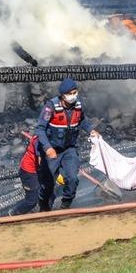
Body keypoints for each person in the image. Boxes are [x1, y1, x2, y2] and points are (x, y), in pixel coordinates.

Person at [35, 78, 99, 210]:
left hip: (69, 149)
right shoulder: (50, 107)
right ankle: (43, 206)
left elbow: (82, 121)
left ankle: (65, 205)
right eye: (70, 93)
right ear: (63, 95)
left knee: (72, 179)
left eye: (75, 92)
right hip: (52, 150)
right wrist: (47, 148)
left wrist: (91, 130)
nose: (74, 96)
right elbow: (39, 129)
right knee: (47, 183)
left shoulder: (78, 105)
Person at [9, 134, 42, 215]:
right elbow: (41, 161)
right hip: (29, 172)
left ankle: (46, 213)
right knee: (32, 201)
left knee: (49, 194)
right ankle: (14, 213)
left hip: (38, 170)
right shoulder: (40, 140)